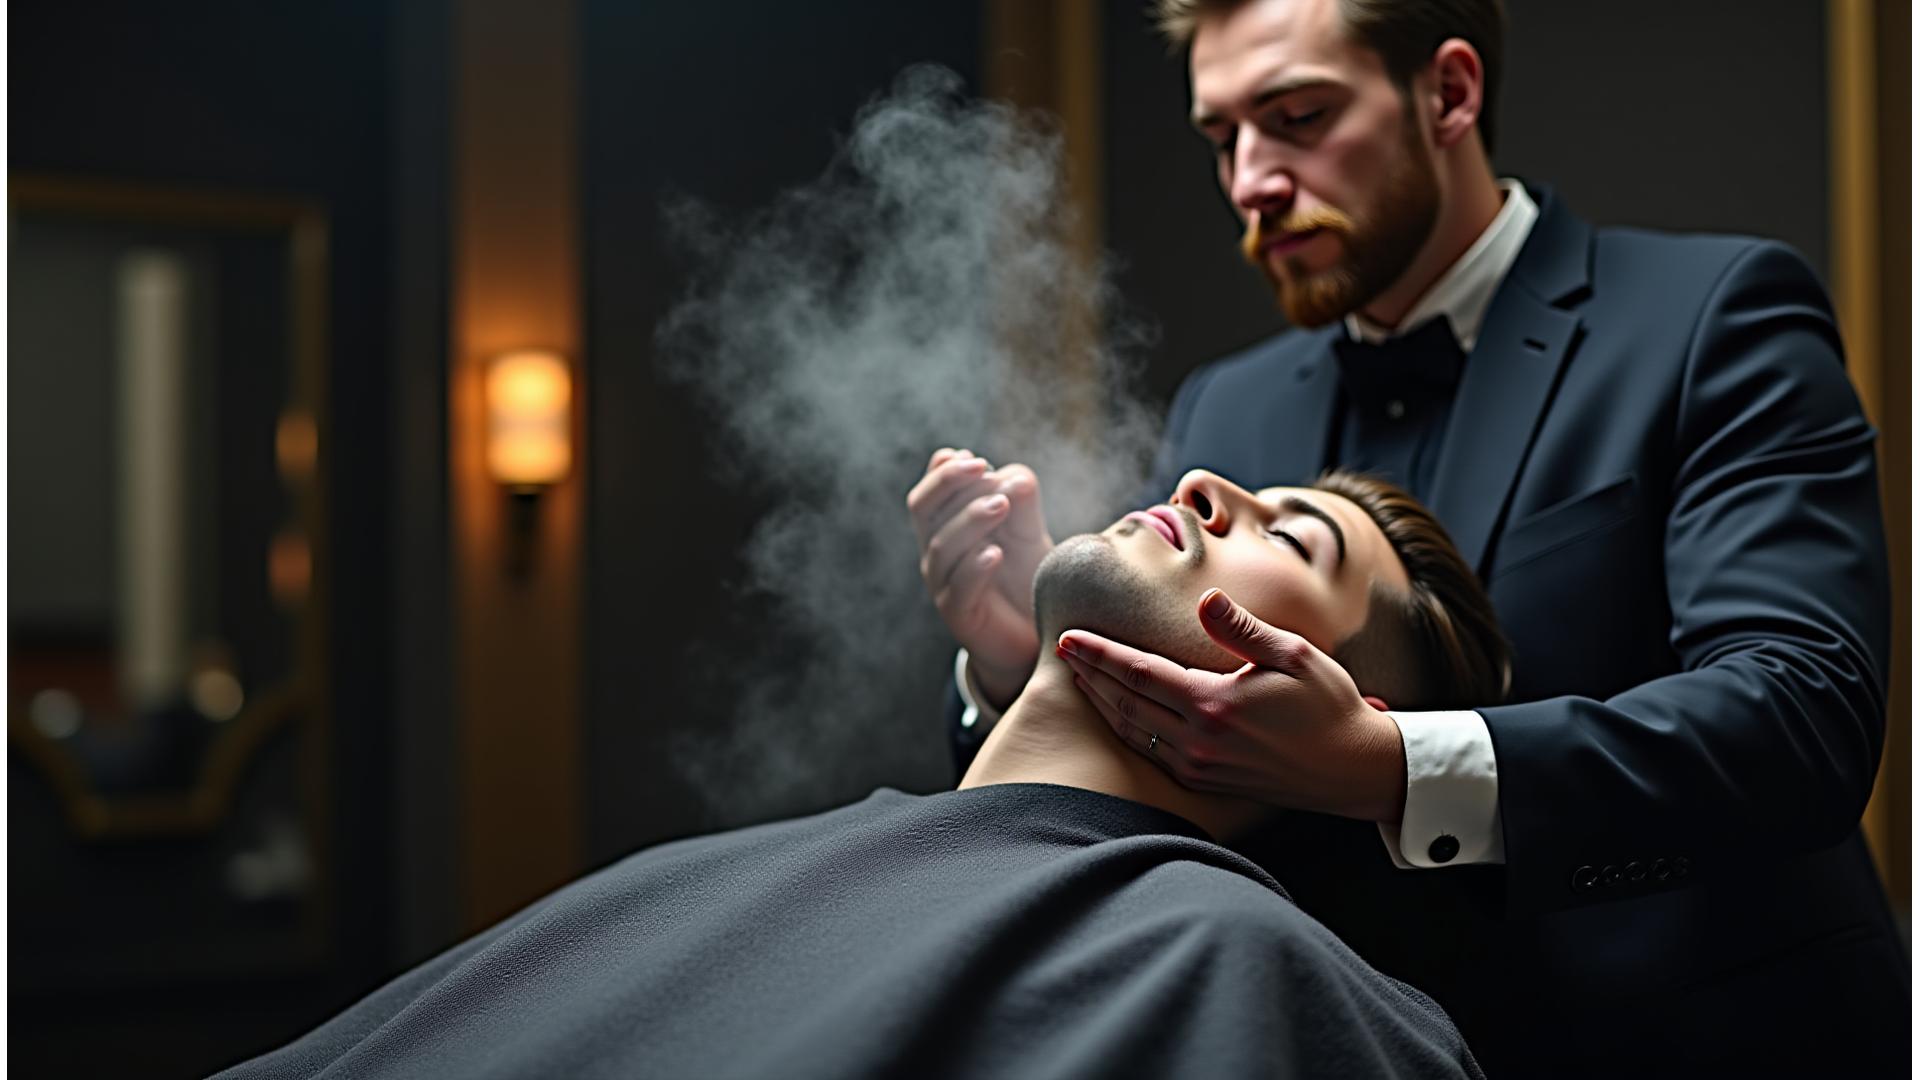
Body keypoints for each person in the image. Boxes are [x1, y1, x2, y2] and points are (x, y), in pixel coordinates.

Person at [910, 0, 1906, 1075]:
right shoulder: (1225, 411)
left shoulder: (1711, 316)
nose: (1252, 180)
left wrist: (1391, 767)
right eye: (1222, 137)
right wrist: (1023, 664)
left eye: (1296, 116)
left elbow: (1801, 715)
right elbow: (1151, 766)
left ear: (1450, 93)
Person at [217, 472, 1503, 1080]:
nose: (1206, 482)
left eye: (1297, 538)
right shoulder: (692, 879)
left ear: (1346, 707)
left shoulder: (1250, 977)